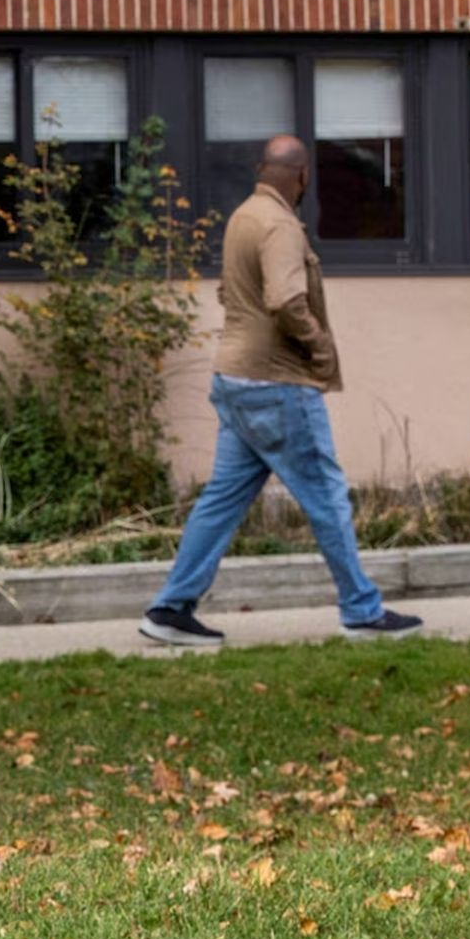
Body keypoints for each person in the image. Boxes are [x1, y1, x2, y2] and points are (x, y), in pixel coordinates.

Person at [139, 135, 423, 646]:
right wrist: (317, 347)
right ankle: (361, 609)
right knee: (328, 496)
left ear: (259, 169)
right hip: (276, 384)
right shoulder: (281, 227)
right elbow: (286, 298)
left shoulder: (243, 217)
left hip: (234, 378)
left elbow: (231, 292)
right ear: (303, 176)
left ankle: (170, 609)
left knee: (221, 500)